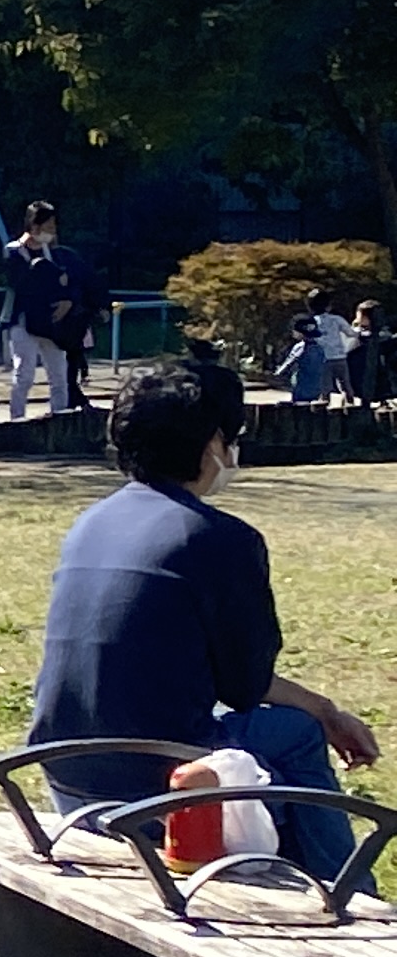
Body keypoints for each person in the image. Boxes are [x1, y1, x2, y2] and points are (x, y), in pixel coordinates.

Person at [30, 358, 379, 892]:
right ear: (215, 441)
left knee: (285, 732)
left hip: (67, 774)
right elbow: (243, 685)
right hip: (160, 785)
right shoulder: (220, 538)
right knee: (297, 734)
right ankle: (349, 897)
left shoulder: (91, 522)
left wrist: (324, 707)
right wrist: (324, 714)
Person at [2, 203, 98, 420]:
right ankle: (16, 419)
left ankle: (59, 418)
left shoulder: (55, 253)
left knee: (59, 375)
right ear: (34, 226)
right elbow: (23, 283)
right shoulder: (14, 251)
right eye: (48, 225)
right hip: (24, 321)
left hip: (52, 323)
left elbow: (71, 281)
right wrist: (51, 276)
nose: (52, 231)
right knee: (24, 374)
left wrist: (68, 301)